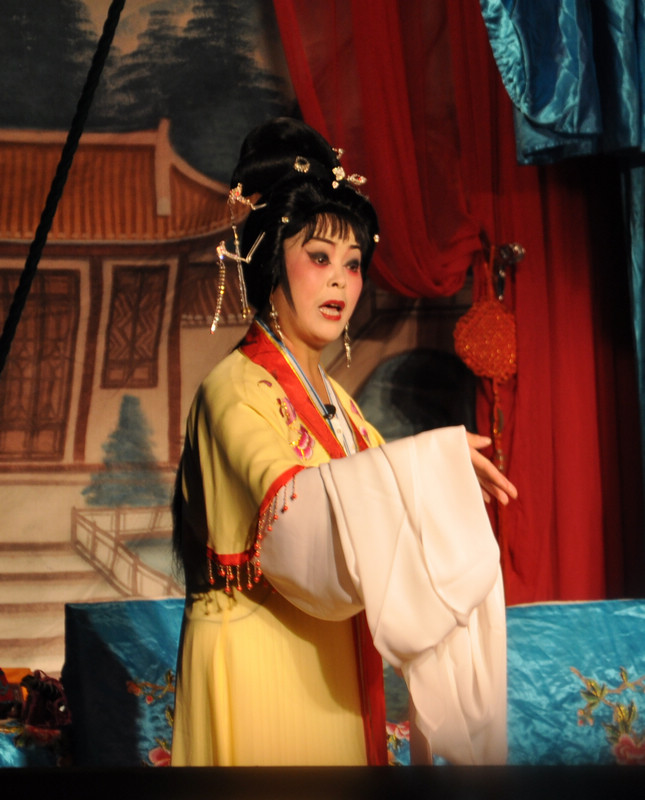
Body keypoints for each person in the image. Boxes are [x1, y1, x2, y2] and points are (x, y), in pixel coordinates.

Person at [170, 117, 517, 768]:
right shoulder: (232, 391)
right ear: (272, 259)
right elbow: (297, 517)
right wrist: (424, 467)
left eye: (353, 264)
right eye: (320, 257)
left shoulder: (344, 408)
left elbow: (385, 511)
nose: (340, 280)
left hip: (331, 667)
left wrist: (438, 485)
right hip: (256, 665)